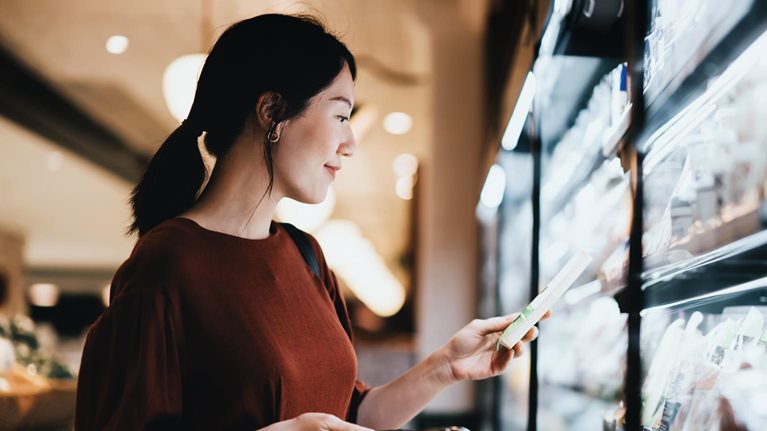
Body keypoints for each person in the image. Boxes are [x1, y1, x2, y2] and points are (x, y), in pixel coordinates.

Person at [74, 13, 545, 431]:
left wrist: (448, 365)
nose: (350, 143)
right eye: (341, 114)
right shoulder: (167, 266)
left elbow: (350, 413)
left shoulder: (306, 255)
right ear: (272, 112)